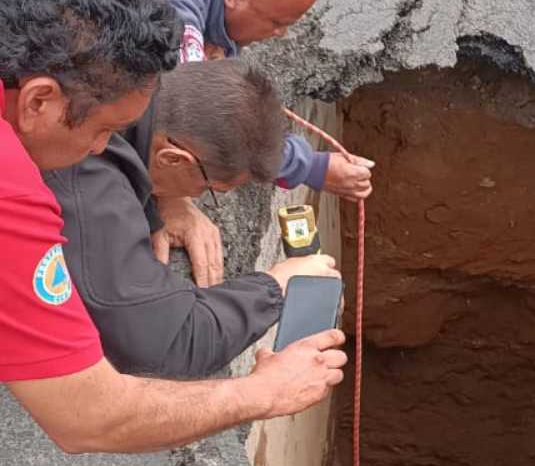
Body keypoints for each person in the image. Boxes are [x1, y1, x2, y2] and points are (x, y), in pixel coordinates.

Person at [0, 0, 346, 454]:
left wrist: (167, 197)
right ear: (38, 102)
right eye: (101, 132)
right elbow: (91, 413)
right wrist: (264, 390)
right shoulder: (19, 193)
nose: (100, 150)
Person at [0, 0, 374, 287]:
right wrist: (310, 167)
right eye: (276, 21)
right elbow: (195, 120)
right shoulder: (172, 2)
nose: (281, 35)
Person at [47, 59, 339, 378]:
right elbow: (165, 347)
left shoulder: (119, 76)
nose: (198, 198)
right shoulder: (86, 183)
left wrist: (161, 201)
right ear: (173, 159)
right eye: (209, 189)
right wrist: (277, 287)